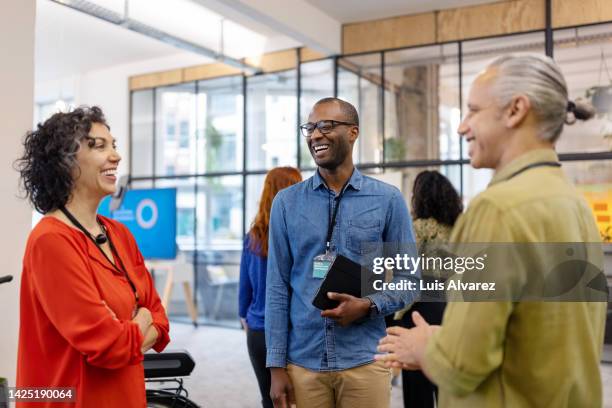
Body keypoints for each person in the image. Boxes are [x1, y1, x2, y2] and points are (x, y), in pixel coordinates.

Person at [375, 53, 607, 407]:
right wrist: (445, 336)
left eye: (473, 110)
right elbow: (544, 335)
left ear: (515, 110)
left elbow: (461, 366)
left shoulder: (497, 209)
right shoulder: (573, 205)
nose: (461, 126)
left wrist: (421, 346)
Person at [265, 97, 418, 408]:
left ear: (353, 132)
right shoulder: (286, 203)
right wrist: (276, 366)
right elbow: (277, 287)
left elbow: (408, 279)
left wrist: (368, 305)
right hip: (303, 362)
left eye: (327, 126)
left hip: (364, 359)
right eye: (310, 128)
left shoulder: (387, 200)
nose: (315, 135)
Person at [16, 106, 170, 408]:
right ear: (66, 161)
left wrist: (134, 324)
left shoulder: (120, 235)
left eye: (114, 145)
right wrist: (142, 318)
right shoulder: (50, 241)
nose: (116, 156)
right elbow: (110, 346)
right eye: (100, 146)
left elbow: (161, 319)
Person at [394, 170, 462, 408]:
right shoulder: (461, 227)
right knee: (448, 385)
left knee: (417, 389)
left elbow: (403, 271)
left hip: (419, 310)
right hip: (453, 309)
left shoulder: (416, 228)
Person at [239, 166, 302, 408]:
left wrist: (247, 320)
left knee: (271, 400)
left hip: (258, 332)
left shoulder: (253, 237)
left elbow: (244, 292)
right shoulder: (300, 236)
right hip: (294, 331)